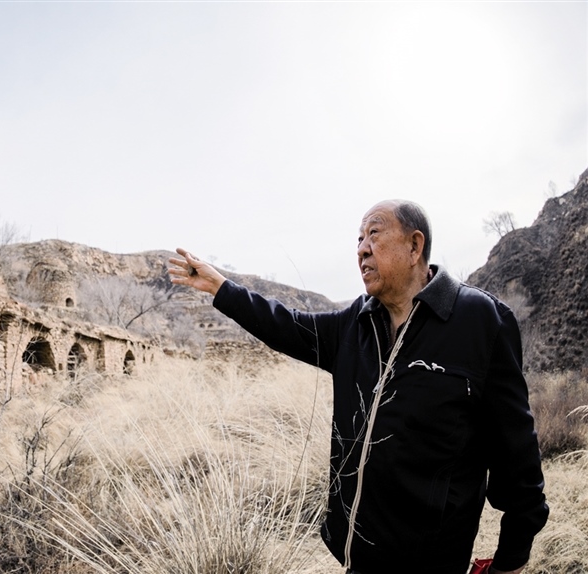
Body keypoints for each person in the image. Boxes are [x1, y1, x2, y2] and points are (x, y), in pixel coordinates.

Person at [168, 200, 548, 574]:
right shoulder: (356, 323)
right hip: (356, 558)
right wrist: (221, 288)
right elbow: (285, 325)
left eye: (374, 234)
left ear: (414, 246)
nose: (362, 249)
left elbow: (517, 457)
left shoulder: (480, 322)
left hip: (431, 563)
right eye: (359, 239)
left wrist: (509, 562)